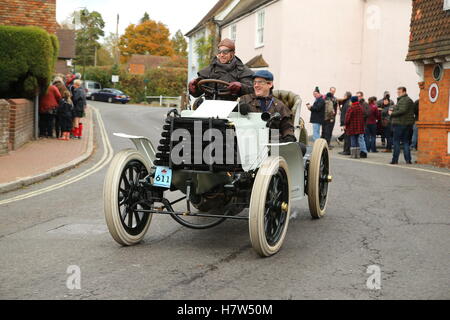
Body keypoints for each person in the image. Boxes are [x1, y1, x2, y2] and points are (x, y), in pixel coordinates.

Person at [189, 39, 254, 102]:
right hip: (210, 106)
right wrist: (194, 88)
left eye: (225, 52)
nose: (222, 55)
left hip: (234, 108)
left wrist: (241, 87)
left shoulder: (242, 70)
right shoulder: (209, 70)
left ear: (233, 53)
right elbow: (197, 92)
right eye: (219, 52)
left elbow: (251, 89)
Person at [240, 70, 295, 143]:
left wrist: (289, 137)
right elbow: (231, 118)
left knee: (300, 148)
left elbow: (287, 126)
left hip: (273, 142)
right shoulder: (244, 99)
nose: (256, 85)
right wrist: (239, 108)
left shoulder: (279, 104)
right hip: (249, 141)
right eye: (255, 83)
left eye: (260, 82)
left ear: (269, 84)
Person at [389, 87, 415, 164]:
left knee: (396, 142)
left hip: (400, 124)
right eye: (398, 92)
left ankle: (395, 160)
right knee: (406, 142)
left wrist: (392, 113)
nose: (398, 93)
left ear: (404, 92)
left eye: (399, 92)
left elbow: (402, 110)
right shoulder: (406, 100)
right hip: (407, 124)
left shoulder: (404, 100)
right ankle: (408, 160)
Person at [338, 91, 352, 155]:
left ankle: (346, 151)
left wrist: (344, 123)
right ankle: (345, 150)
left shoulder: (348, 103)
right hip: (346, 122)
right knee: (346, 137)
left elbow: (346, 114)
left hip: (346, 123)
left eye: (344, 95)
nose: (343, 96)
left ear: (346, 96)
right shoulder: (346, 102)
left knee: (347, 137)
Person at [356, 91, 369, 158]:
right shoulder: (358, 104)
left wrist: (360, 117)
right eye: (357, 96)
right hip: (359, 123)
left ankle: (364, 152)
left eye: (359, 96)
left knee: (361, 138)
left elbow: (367, 113)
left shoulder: (364, 104)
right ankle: (362, 151)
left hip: (363, 123)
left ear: (362, 96)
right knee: (360, 138)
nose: (357, 97)